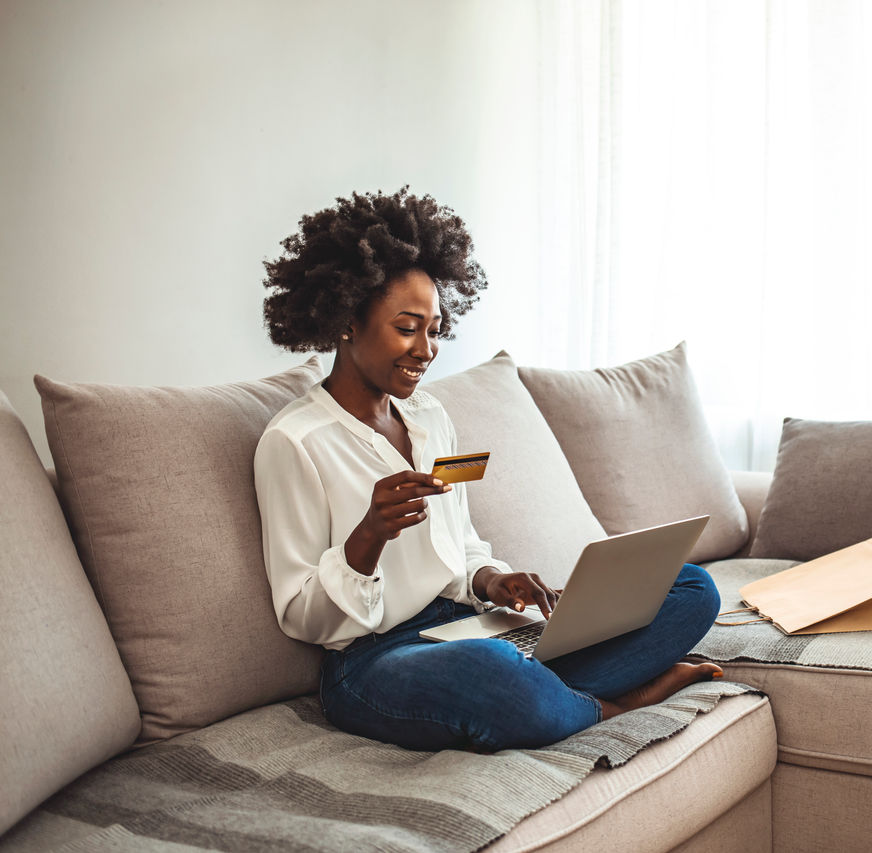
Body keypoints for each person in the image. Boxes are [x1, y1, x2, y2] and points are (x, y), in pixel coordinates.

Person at [254, 188, 723, 752]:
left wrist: (490, 581)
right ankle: (617, 702)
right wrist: (368, 536)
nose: (426, 350)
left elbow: (462, 545)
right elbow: (302, 616)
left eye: (435, 330)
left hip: (469, 624)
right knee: (488, 668)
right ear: (348, 321)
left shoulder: (429, 416)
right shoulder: (294, 441)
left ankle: (545, 695)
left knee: (691, 587)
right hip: (375, 659)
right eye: (408, 327)